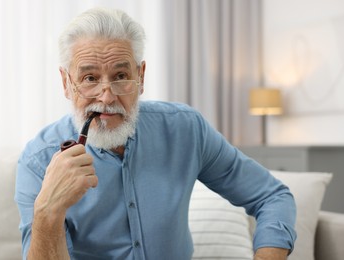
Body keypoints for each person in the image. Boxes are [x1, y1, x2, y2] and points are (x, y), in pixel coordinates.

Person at [15, 7, 296, 260]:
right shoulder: (38, 161)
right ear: (66, 83)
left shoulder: (185, 129)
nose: (107, 95)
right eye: (89, 78)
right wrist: (47, 210)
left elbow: (271, 196)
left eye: (121, 76)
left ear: (141, 78)